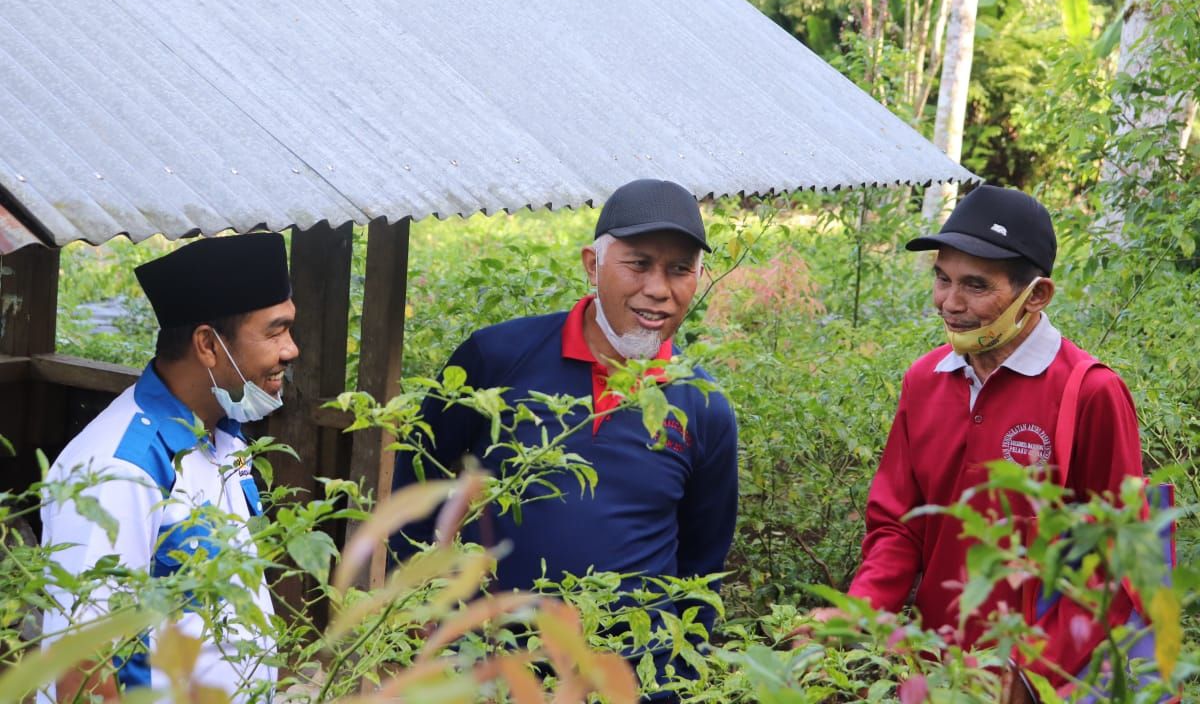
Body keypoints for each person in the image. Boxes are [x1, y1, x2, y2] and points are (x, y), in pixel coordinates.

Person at [390, 178, 739, 699]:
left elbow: (700, 567)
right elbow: (417, 498)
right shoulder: (495, 359)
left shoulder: (702, 407)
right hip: (491, 674)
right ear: (592, 265)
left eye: (679, 269)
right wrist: (421, 632)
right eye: (639, 264)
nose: (659, 289)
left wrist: (674, 681)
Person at [813, 185, 1144, 700]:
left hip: (1042, 682)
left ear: (1036, 295)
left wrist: (1031, 672)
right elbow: (898, 525)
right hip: (932, 672)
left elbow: (1118, 558)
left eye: (975, 285)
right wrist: (858, 612)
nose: (950, 302)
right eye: (942, 278)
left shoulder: (1090, 393)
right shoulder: (925, 381)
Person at [41, 232, 298, 703]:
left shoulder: (223, 434)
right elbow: (82, 667)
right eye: (275, 331)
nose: (291, 349)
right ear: (207, 345)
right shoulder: (121, 467)